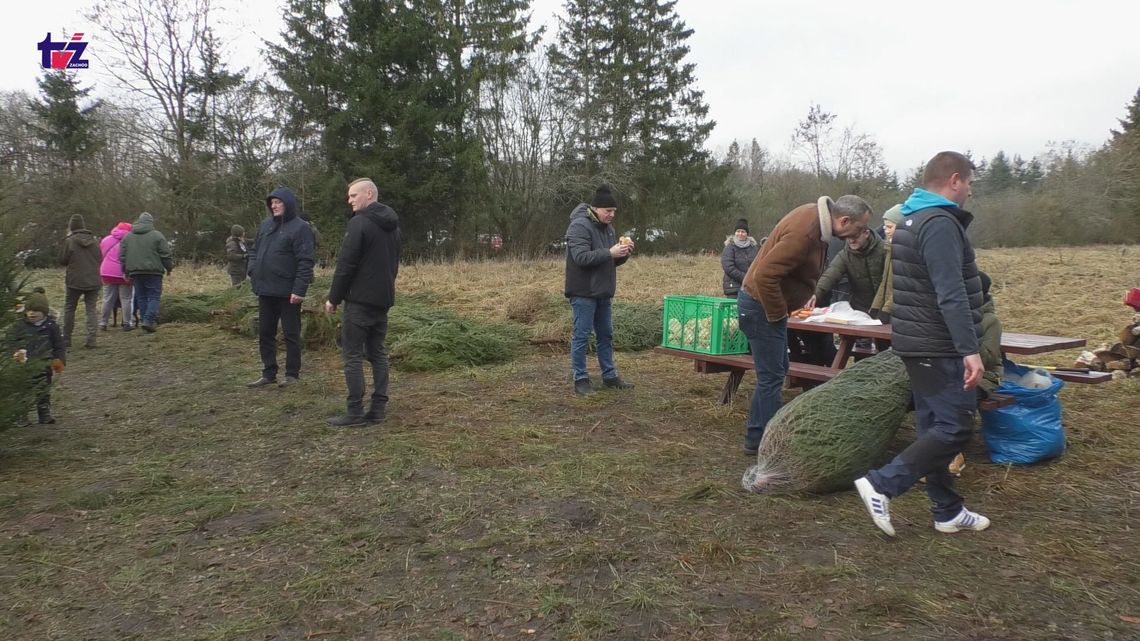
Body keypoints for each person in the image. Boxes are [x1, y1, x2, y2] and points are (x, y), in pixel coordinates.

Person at [855, 150, 990, 537]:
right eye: (969, 184)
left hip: (917, 341)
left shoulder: (911, 219)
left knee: (934, 424)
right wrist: (970, 349)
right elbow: (950, 293)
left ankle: (947, 510)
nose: (969, 192)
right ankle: (882, 483)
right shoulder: (940, 223)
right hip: (940, 343)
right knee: (956, 427)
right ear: (954, 181)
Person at [737, 195, 872, 454]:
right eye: (860, 227)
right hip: (759, 307)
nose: (863, 232)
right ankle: (760, 442)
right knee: (771, 377)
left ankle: (764, 436)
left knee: (778, 371)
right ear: (844, 221)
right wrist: (778, 316)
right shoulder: (806, 233)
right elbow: (765, 276)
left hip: (764, 308)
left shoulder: (813, 216)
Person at [324, 178, 401, 426]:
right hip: (382, 300)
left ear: (369, 194)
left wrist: (333, 298)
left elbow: (346, 265)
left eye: (353, 196)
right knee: (378, 353)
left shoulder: (359, 223)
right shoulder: (394, 226)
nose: (350, 201)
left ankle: (354, 412)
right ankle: (378, 409)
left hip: (359, 301)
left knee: (353, 355)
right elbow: (394, 265)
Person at [564, 184, 635, 396]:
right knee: (582, 336)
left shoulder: (609, 229)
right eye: (608, 211)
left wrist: (623, 253)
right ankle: (581, 379)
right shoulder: (579, 227)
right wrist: (609, 252)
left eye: (614, 212)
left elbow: (608, 261)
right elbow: (581, 258)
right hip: (583, 292)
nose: (612, 215)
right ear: (595, 208)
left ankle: (610, 376)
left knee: (606, 335)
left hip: (603, 291)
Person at [247, 187, 315, 388]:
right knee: (265, 333)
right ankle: (269, 373)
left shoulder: (300, 228)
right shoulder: (265, 225)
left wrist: (299, 290)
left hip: (288, 292)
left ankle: (292, 374)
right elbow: (254, 251)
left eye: (278, 202)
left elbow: (305, 261)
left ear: (288, 204)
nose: (274, 206)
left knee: (291, 334)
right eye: (272, 203)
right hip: (265, 290)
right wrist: (252, 270)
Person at [13, 288, 66, 424]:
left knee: (43, 391)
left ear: (44, 312)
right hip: (23, 366)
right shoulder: (20, 326)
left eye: (36, 311)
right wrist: (15, 353)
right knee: (22, 391)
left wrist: (58, 360)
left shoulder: (51, 327)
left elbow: (59, 345)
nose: (32, 313)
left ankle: (44, 413)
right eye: (29, 310)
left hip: (44, 366)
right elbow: (11, 342)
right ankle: (21, 416)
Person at [119, 212, 174, 333]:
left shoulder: (127, 237)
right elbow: (165, 254)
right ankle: (148, 321)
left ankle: (145, 322)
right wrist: (169, 268)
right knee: (154, 297)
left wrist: (124, 271)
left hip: (135, 272)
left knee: (141, 297)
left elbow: (122, 256)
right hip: (154, 272)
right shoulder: (157, 235)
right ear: (151, 222)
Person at [814, 226, 885, 315]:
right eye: (848, 237)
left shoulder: (884, 249)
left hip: (885, 309)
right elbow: (830, 275)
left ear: (866, 234)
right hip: (859, 308)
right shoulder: (845, 254)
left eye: (855, 237)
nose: (851, 241)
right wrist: (815, 294)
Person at [59, 214, 102, 348]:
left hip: (74, 280)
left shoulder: (69, 241)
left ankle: (66, 339)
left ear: (71, 227)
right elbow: (100, 258)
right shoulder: (95, 241)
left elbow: (62, 260)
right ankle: (91, 340)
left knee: (70, 309)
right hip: (93, 280)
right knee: (91, 309)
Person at [869, 204, 905, 324]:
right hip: (889, 309)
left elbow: (902, 285)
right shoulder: (889, 248)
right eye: (885, 227)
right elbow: (885, 282)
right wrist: (876, 306)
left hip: (900, 313)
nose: (886, 231)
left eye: (890, 227)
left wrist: (886, 310)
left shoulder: (905, 252)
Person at [99, 221, 134, 331]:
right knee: (126, 299)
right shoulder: (131, 240)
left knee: (108, 298)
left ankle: (103, 323)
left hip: (107, 271)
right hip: (124, 273)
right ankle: (127, 323)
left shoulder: (106, 239)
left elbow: (102, 255)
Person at [720, 218, 759, 297]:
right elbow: (728, 267)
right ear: (735, 233)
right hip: (733, 288)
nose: (740, 234)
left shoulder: (754, 248)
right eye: (738, 231)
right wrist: (745, 277)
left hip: (750, 288)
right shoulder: (729, 247)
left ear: (747, 233)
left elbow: (758, 264)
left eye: (743, 232)